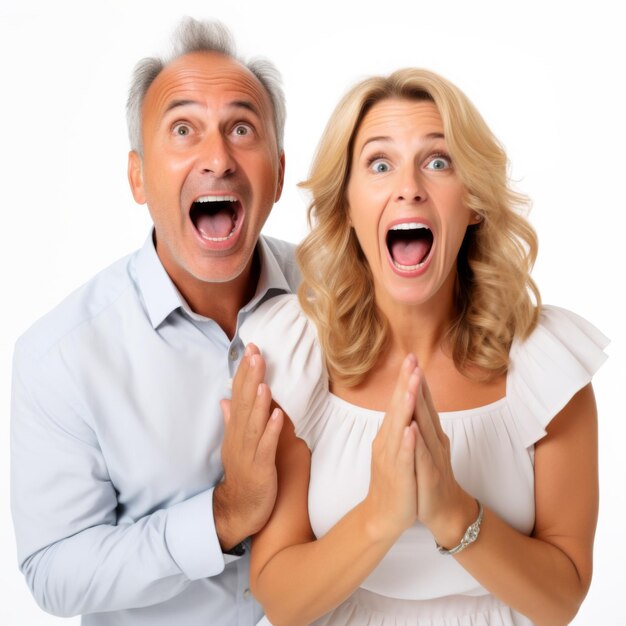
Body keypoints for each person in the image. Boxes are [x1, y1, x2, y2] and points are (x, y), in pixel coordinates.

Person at [237, 69, 609, 625]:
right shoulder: (297, 356)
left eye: (438, 162)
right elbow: (280, 599)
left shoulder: (544, 364)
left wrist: (453, 512)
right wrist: (381, 515)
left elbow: (563, 600)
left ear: (475, 202)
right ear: (348, 207)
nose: (409, 186)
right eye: (380, 164)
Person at [10, 17, 299, 625]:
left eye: (241, 128)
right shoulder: (58, 356)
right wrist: (223, 515)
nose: (217, 158)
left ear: (275, 171)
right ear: (138, 176)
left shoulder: (343, 298)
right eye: (184, 129)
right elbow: (55, 574)